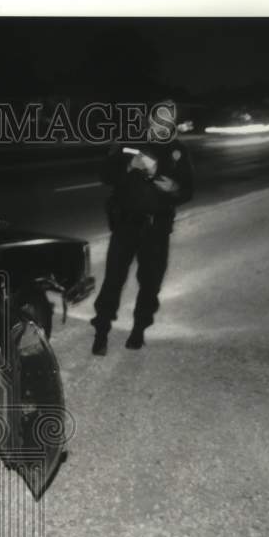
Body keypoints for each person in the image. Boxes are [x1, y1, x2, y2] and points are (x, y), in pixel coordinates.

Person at [91, 101, 193, 355]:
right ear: (150, 119)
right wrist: (128, 166)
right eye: (158, 119)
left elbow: (188, 189)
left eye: (167, 121)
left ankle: (139, 329)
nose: (161, 125)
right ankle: (101, 331)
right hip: (126, 223)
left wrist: (174, 189)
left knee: (150, 282)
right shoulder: (127, 143)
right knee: (113, 279)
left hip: (157, 228)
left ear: (172, 123)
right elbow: (104, 175)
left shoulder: (178, 150)